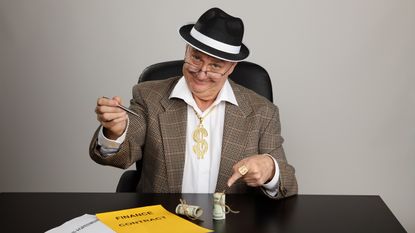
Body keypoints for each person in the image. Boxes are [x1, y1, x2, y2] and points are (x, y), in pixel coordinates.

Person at [90, 7, 297, 199]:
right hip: (163, 220)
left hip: (231, 223)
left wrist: (270, 170)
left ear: (232, 67)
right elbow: (120, 155)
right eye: (196, 58)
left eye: (215, 65)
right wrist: (115, 133)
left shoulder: (262, 112)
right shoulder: (149, 96)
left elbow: (288, 185)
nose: (202, 73)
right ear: (187, 50)